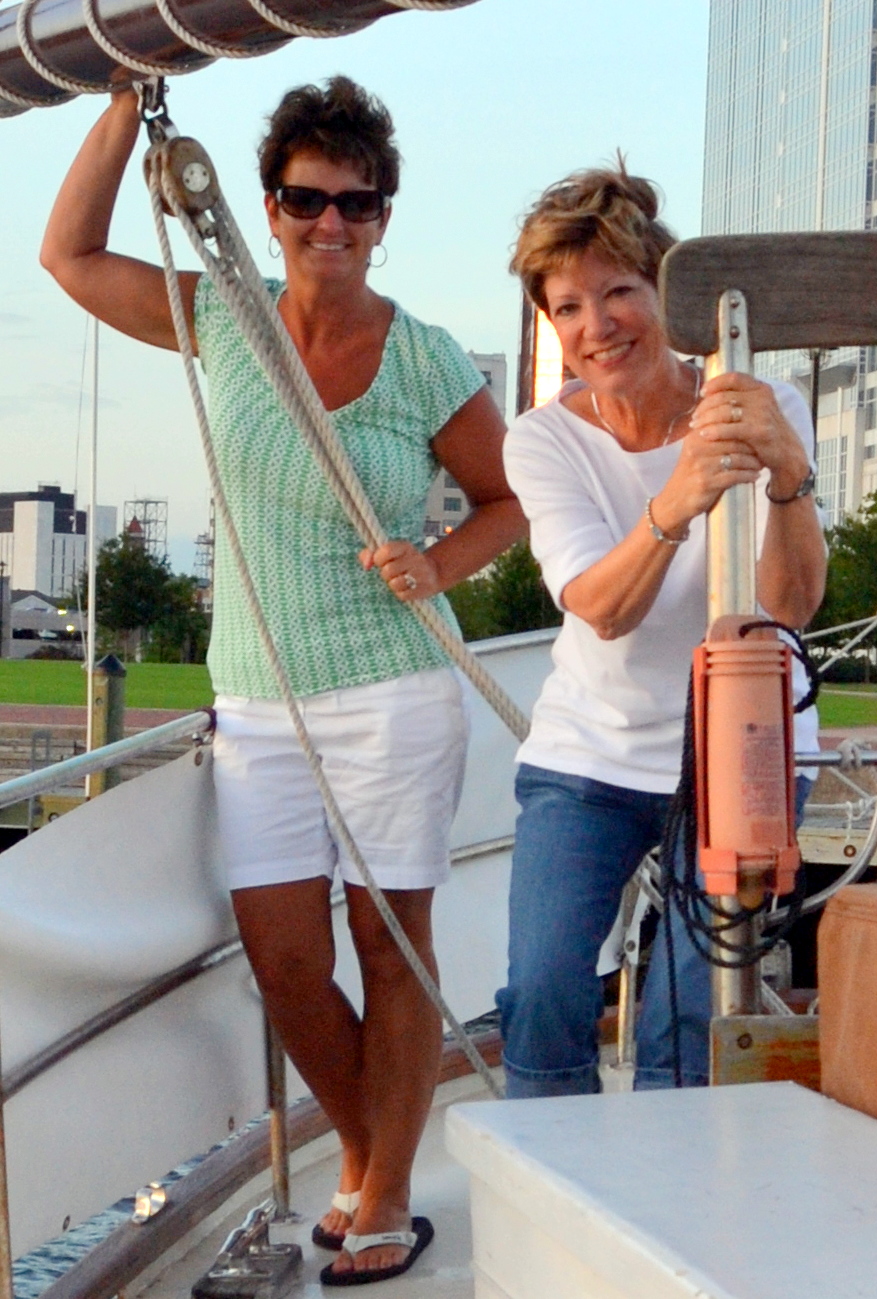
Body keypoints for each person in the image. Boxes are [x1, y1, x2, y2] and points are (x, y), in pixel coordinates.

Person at [41, 76, 525, 1285]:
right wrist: (125, 104)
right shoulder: (225, 316)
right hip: (258, 702)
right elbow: (69, 257)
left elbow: (507, 499)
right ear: (267, 208)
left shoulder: (422, 358)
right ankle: (370, 1152)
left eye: (356, 203)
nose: (331, 223)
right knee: (285, 963)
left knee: (387, 939)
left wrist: (438, 562)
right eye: (308, 200)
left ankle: (384, 1192)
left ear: (383, 217)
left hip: (393, 691)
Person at [495, 163, 827, 1098]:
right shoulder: (543, 440)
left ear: (664, 297)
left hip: (739, 752)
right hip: (591, 750)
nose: (596, 326)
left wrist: (789, 475)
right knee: (541, 991)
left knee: (688, 1007)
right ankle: (552, 1168)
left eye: (618, 293)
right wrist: (678, 498)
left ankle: (673, 1175)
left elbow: (789, 606)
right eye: (567, 307)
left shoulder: (760, 405)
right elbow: (602, 607)